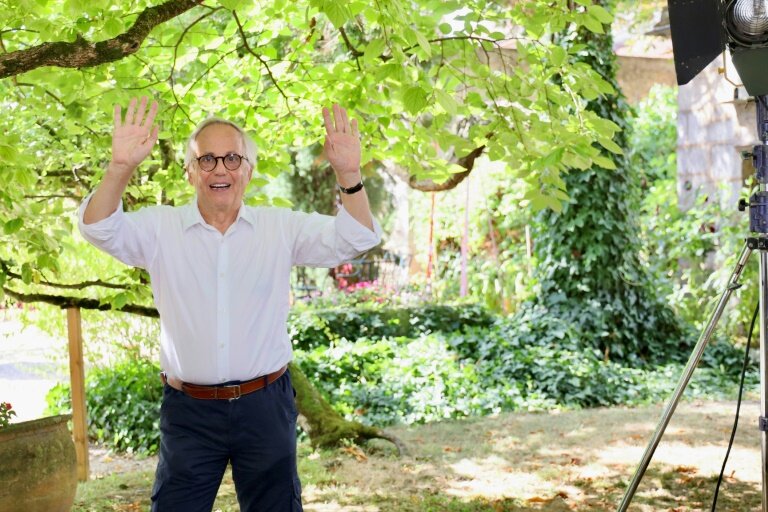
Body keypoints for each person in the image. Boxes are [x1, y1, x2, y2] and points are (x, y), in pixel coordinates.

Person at [79, 96, 381, 511]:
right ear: (190, 173)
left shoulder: (280, 227)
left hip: (265, 406)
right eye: (206, 160)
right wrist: (120, 168)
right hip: (189, 413)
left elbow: (358, 238)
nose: (220, 168)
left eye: (232, 159)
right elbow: (98, 227)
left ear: (249, 171)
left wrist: (349, 174)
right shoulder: (159, 229)